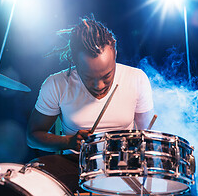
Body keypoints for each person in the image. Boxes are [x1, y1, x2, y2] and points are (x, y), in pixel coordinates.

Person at [26, 16, 154, 194]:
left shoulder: (136, 79)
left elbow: (148, 135)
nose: (99, 85)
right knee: (35, 175)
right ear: (74, 61)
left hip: (124, 165)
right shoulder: (56, 84)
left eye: (106, 76)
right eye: (88, 78)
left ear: (115, 53)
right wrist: (69, 141)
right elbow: (33, 137)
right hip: (76, 164)